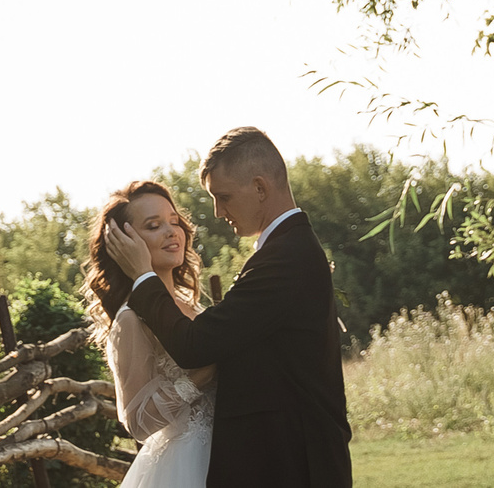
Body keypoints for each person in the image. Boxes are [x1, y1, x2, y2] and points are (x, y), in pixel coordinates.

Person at [101, 127, 351, 488]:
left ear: (260, 188)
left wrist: (143, 276)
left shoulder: (285, 258)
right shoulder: (284, 251)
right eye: (155, 225)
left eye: (224, 197)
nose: (217, 212)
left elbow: (196, 345)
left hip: (294, 463)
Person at [88, 180, 217, 488]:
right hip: (185, 467)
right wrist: (198, 378)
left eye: (174, 222)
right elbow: (137, 422)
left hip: (227, 454)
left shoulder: (191, 305)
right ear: (123, 242)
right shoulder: (130, 319)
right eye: (154, 225)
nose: (172, 231)